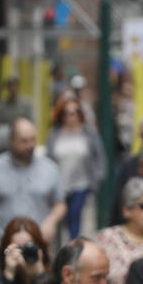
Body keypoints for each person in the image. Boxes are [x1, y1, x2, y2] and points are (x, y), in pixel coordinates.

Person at [0, 118, 66, 248]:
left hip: (40, 246)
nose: (30, 145)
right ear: (11, 141)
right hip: (5, 246)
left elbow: (60, 203)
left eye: (33, 139)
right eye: (24, 141)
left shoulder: (50, 168)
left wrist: (50, 222)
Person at [45, 98, 105, 239]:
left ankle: (73, 246)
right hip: (60, 184)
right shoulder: (54, 134)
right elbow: (49, 158)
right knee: (61, 218)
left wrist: (98, 176)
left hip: (81, 182)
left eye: (74, 112)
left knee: (75, 214)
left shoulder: (89, 133)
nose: (71, 116)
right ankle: (59, 246)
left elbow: (99, 155)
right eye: (67, 113)